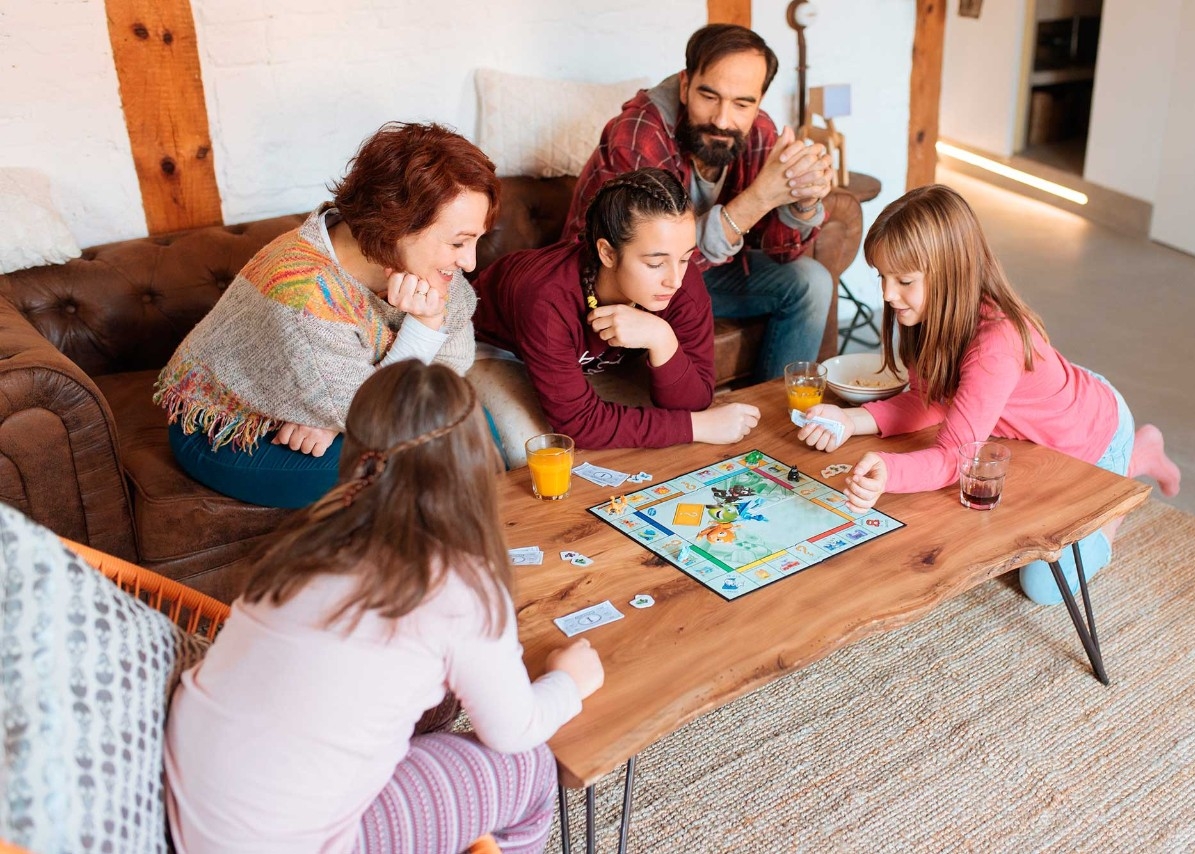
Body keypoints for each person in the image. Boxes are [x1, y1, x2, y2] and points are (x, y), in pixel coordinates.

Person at [163, 360, 604, 853]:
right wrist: (568, 682)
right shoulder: (461, 585)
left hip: (193, 806)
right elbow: (513, 731)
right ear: (474, 463)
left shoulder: (307, 539)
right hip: (283, 842)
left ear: (354, 451)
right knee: (531, 768)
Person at [795, 184, 1181, 605]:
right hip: (1039, 429)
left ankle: (1131, 462)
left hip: (1092, 438)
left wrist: (889, 471)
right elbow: (928, 401)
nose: (887, 294)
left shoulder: (995, 344)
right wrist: (850, 420)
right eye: (882, 277)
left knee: (1044, 587)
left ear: (950, 273)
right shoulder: (928, 313)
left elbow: (954, 459)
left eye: (903, 280)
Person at [155, 121, 500, 508]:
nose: (469, 262)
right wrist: (424, 327)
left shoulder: (428, 266)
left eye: (475, 239)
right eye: (458, 243)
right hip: (232, 429)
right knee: (422, 465)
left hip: (343, 404)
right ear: (396, 225)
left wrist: (333, 419)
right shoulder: (304, 294)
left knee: (477, 429)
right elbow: (372, 417)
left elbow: (453, 363)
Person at [563, 24, 836, 383]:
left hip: (700, 273)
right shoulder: (640, 131)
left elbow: (782, 253)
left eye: (742, 103)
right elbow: (647, 256)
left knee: (811, 281)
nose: (722, 120)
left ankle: (777, 407)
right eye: (709, 96)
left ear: (758, 101)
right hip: (625, 280)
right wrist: (760, 198)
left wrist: (804, 201)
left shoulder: (757, 130)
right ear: (685, 85)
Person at [473, 167, 760, 450]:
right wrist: (698, 427)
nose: (675, 280)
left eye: (685, 258)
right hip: (494, 348)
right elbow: (580, 424)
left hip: (590, 361)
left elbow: (695, 401)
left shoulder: (682, 281)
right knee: (544, 449)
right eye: (655, 264)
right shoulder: (546, 300)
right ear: (608, 253)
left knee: (662, 437)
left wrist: (662, 338)